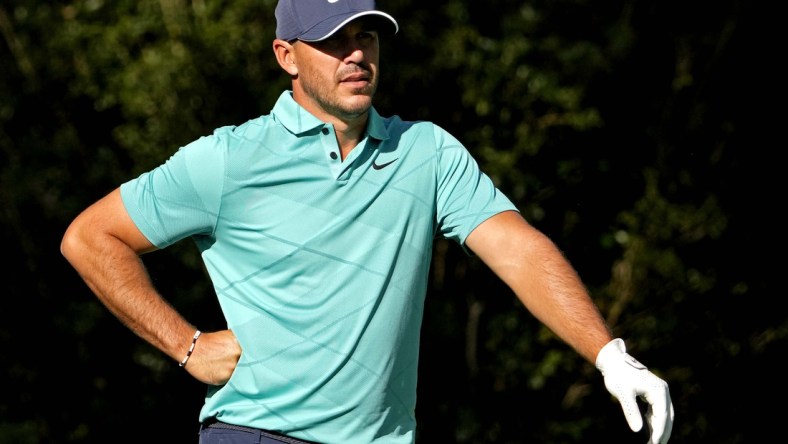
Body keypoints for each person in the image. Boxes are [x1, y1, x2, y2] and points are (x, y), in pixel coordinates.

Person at [60, 1, 674, 443]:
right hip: (257, 434)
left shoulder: (427, 152)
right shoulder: (228, 160)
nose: (355, 54)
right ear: (286, 56)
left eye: (368, 37)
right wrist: (186, 345)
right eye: (333, 40)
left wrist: (608, 353)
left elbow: (517, 249)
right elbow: (90, 237)